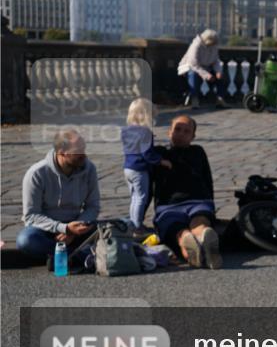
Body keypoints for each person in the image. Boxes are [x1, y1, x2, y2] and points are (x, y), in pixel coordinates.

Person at [150, 115, 222, 269]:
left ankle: (189, 241)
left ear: (193, 137)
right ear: (169, 132)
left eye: (186, 131)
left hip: (180, 204)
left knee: (181, 229)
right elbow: (207, 180)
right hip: (183, 204)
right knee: (193, 223)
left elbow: (207, 179)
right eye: (178, 129)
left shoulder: (162, 154)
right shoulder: (161, 153)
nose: (181, 134)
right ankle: (202, 237)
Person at [17, 129, 101, 260]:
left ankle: (64, 256)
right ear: (62, 152)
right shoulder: (37, 174)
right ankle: (77, 256)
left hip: (78, 226)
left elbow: (93, 206)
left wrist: (76, 228)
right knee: (25, 240)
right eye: (78, 151)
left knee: (124, 225)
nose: (84, 155)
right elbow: (31, 216)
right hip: (46, 230)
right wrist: (64, 228)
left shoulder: (89, 169)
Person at [121, 98, 172, 233]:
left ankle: (133, 222)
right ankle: (137, 225)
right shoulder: (145, 132)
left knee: (134, 197)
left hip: (128, 168)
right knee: (141, 198)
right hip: (139, 169)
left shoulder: (126, 130)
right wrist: (161, 161)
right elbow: (147, 153)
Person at [178, 29, 226, 108]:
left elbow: (216, 61)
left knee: (220, 78)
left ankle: (220, 99)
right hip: (191, 68)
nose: (214, 44)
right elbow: (193, 64)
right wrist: (207, 75)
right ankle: (194, 99)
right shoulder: (196, 45)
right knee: (194, 76)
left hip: (206, 67)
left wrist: (218, 71)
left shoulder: (214, 46)